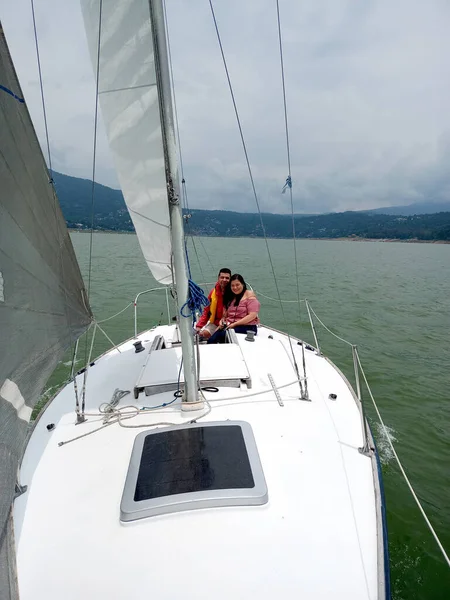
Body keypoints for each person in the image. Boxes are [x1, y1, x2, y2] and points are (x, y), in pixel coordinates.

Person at [207, 274, 260, 344]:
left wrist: (234, 324)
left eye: (237, 285)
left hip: (247, 327)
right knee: (211, 340)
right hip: (230, 325)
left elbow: (252, 315)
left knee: (223, 336)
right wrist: (222, 321)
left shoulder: (249, 295)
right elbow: (224, 316)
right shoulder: (230, 297)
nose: (235, 287)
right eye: (232, 285)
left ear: (243, 284)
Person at [195, 268, 231, 339]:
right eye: (222, 277)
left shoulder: (234, 292)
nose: (224, 280)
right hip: (215, 323)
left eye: (227, 278)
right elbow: (207, 311)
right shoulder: (213, 293)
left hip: (230, 323)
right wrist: (199, 326)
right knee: (202, 334)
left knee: (221, 337)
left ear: (230, 280)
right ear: (218, 278)